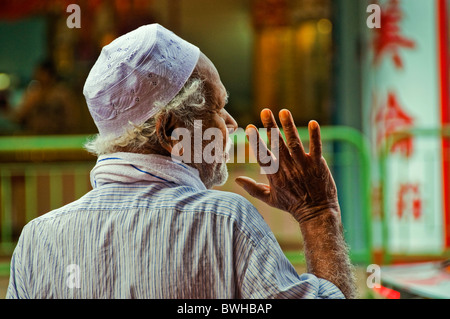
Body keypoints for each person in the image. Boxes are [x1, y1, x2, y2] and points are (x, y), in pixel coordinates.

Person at [6, 24, 357, 299]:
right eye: (218, 108)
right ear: (172, 130)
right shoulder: (226, 222)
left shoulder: (38, 239)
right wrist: (318, 213)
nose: (231, 123)